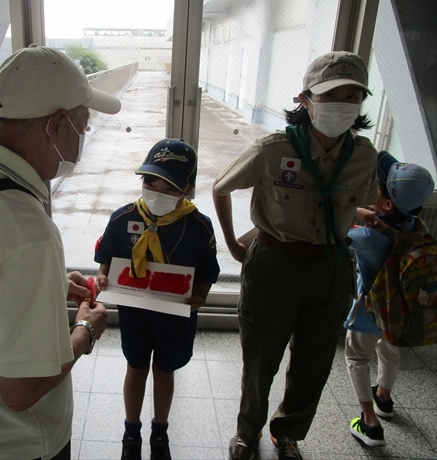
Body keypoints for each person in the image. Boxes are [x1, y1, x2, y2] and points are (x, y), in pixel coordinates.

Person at [0, 44, 120, 460]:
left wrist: (46, 285)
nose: (82, 140)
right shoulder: (26, 230)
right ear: (57, 124)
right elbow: (22, 390)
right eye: (82, 127)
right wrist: (85, 332)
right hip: (21, 444)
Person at [212, 51, 379, 460]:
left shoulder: (363, 156)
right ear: (305, 99)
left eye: (352, 95)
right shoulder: (274, 148)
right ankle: (247, 433)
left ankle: (287, 433)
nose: (342, 103)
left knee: (315, 361)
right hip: (275, 264)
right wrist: (235, 244)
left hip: (331, 266)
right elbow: (221, 187)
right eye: (330, 94)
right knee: (260, 359)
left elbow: (350, 204)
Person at [94, 139, 220, 460]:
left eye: (170, 186)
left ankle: (160, 431)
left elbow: (207, 270)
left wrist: (199, 297)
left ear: (188, 189)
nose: (157, 191)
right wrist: (103, 276)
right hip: (134, 314)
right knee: (135, 368)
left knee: (165, 371)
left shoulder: (199, 226)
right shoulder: (123, 218)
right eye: (151, 181)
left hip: (175, 318)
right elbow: (106, 255)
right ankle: (131, 430)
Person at [345, 151, 435, 447]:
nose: (372, 186)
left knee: (357, 357)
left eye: (377, 186)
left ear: (385, 204)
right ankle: (383, 396)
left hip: (371, 309)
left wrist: (357, 212)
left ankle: (369, 423)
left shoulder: (368, 237)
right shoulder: (417, 227)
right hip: (399, 313)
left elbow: (335, 222)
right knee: (389, 348)